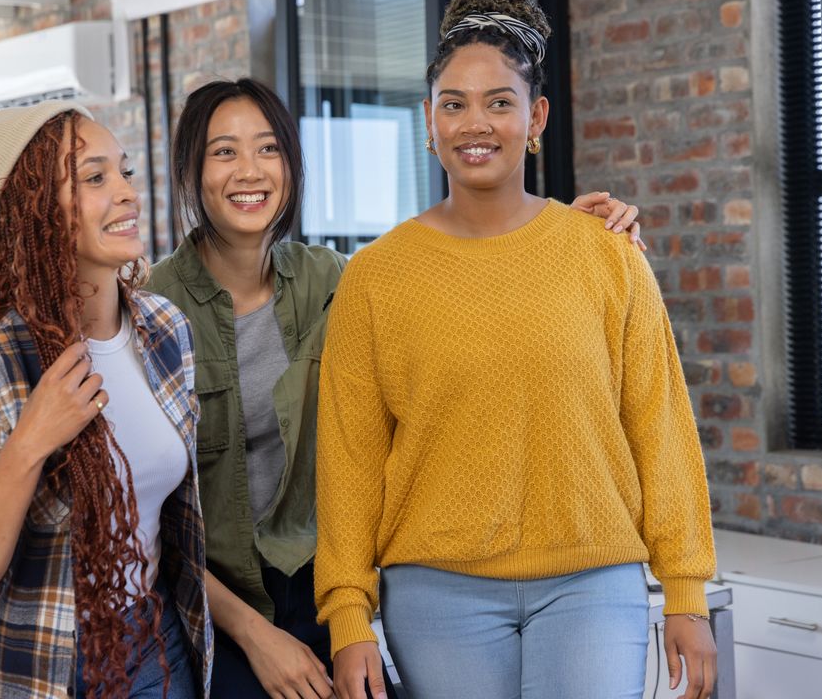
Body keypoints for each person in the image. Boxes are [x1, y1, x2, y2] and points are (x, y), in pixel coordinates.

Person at [147, 78, 644, 699]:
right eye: (224, 152)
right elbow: (150, 520)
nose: (249, 171)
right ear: (191, 170)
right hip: (213, 601)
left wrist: (547, 240)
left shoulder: (333, 280)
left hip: (322, 583)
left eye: (268, 149)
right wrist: (255, 634)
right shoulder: (151, 310)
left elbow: (448, 309)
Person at [314, 0, 718, 699]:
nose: (477, 123)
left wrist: (685, 588)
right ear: (428, 122)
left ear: (535, 118)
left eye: (500, 102)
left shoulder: (608, 255)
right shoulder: (375, 278)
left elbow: (661, 428)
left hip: (593, 581)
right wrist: (349, 615)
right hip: (435, 594)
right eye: (455, 103)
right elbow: (350, 460)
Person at [0, 101, 212, 699]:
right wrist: (33, 438)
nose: (125, 193)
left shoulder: (165, 331)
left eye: (124, 172)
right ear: (32, 214)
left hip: (154, 648)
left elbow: (170, 527)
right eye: (94, 178)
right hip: (36, 665)